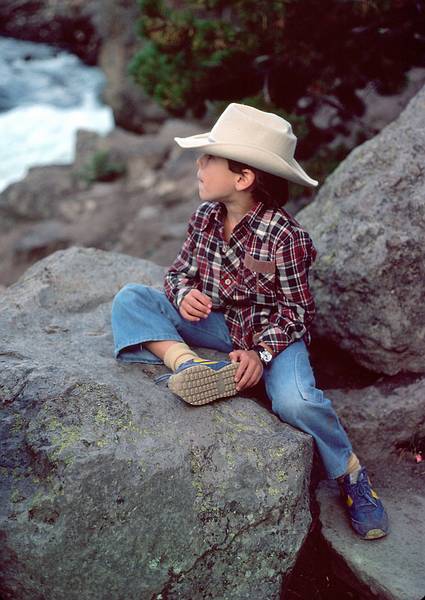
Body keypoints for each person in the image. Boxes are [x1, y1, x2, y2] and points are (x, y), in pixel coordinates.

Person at [111, 103, 388, 540]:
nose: (198, 166)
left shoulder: (286, 238)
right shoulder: (204, 217)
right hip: (217, 325)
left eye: (209, 159)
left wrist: (261, 353)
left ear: (243, 179)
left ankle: (350, 474)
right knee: (131, 299)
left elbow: (297, 311)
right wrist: (186, 297)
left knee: (296, 402)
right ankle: (188, 366)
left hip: (273, 337)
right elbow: (178, 273)